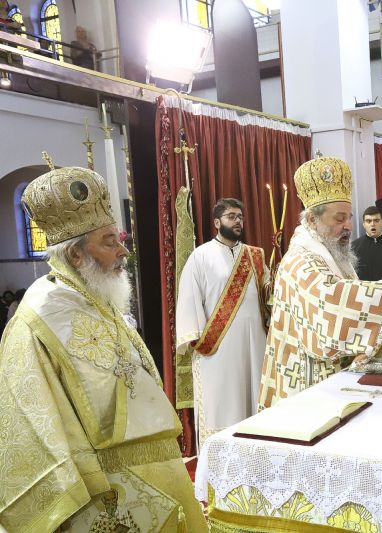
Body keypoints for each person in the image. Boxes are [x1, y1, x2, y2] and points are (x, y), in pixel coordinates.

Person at [0, 167, 205, 532]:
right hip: (101, 487)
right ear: (77, 255)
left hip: (152, 460)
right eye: (110, 241)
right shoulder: (40, 316)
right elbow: (28, 413)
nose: (123, 250)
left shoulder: (95, 294)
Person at [257, 157, 382, 408]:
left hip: (331, 380)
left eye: (349, 217)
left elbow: (345, 314)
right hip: (303, 385)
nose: (348, 226)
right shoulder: (300, 260)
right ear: (311, 220)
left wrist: (379, 334)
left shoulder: (332, 254)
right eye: (339, 219)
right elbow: (332, 303)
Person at [176, 198, 270, 447]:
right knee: (222, 404)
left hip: (256, 343)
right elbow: (188, 298)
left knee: (254, 400)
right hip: (218, 347)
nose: (237, 221)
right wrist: (196, 336)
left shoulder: (255, 255)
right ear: (217, 222)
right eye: (231, 216)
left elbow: (267, 296)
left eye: (240, 216)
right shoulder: (201, 256)